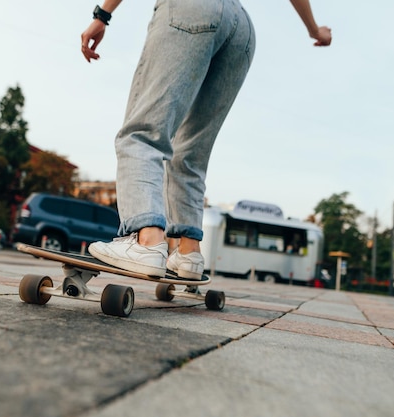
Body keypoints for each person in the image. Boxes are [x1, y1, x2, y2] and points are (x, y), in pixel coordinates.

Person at [81, 0, 332, 279]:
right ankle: (189, 253)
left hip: (190, 10)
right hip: (241, 29)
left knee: (142, 133)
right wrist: (314, 29)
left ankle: (147, 241)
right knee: (191, 152)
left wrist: (102, 15)